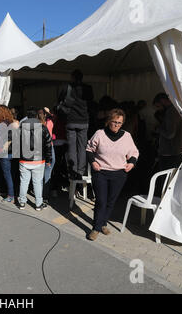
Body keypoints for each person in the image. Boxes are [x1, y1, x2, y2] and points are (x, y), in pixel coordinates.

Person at [86, 109, 139, 241]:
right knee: (101, 201)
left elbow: (134, 152)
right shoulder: (99, 134)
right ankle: (96, 228)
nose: (116, 125)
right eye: (114, 122)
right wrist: (93, 162)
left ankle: (103, 223)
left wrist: (131, 163)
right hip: (101, 172)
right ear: (109, 121)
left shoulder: (126, 136)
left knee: (111, 201)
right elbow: (89, 149)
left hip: (119, 174)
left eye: (120, 123)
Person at [58, 69, 93, 180]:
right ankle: (80, 171)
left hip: (71, 120)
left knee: (72, 147)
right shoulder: (88, 88)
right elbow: (91, 102)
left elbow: (59, 100)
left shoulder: (66, 87)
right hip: (84, 120)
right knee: (82, 147)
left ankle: (72, 171)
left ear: (72, 77)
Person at [18, 108, 53, 211]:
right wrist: (48, 159)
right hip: (39, 160)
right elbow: (48, 144)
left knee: (24, 181)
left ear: (27, 116)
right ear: (36, 116)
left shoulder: (21, 127)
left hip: (24, 159)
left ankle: (22, 203)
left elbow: (15, 143)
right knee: (37, 182)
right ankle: (38, 204)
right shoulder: (42, 127)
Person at [153, 93, 182, 171]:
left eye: (158, 106)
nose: (158, 109)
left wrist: (159, 129)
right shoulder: (179, 108)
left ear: (163, 101)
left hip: (171, 153)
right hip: (180, 150)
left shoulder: (171, 111)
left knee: (167, 179)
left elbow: (170, 134)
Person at [0, 105, 19, 203]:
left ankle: (11, 196)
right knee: (14, 173)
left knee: (7, 174)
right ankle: (15, 193)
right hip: (14, 152)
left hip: (5, 153)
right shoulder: (14, 122)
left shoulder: (1, 125)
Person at [39, 108, 56, 204]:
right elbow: (54, 117)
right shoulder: (49, 122)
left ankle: (40, 195)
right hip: (50, 148)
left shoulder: (37, 125)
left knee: (40, 174)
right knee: (47, 173)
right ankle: (45, 196)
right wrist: (48, 111)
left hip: (40, 150)